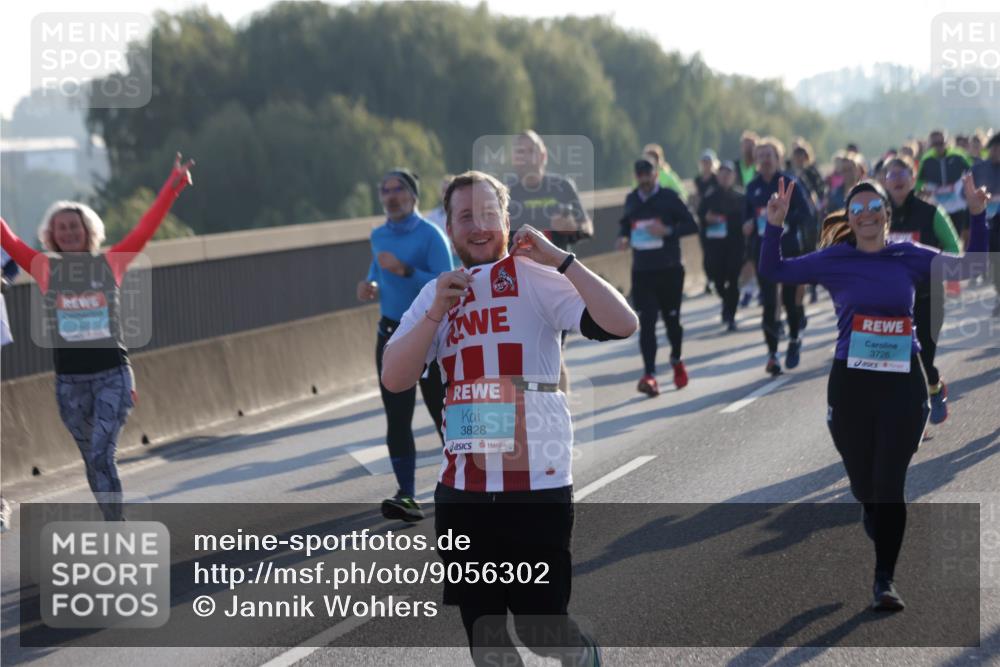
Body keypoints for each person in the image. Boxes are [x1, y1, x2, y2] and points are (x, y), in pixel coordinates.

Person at [381, 170, 636, 666]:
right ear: (450, 229)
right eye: (464, 217)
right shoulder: (439, 294)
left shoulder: (536, 278)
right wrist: (435, 312)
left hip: (535, 486)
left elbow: (622, 323)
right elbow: (394, 378)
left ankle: (582, 654)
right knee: (488, 640)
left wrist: (563, 261)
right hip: (463, 491)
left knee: (543, 630)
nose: (477, 226)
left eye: (487, 214)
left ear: (506, 219)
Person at [760, 174, 990, 611]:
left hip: (903, 380)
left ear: (887, 215)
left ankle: (884, 579)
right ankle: (870, 507)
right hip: (851, 382)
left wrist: (977, 216)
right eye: (857, 211)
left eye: (873, 208)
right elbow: (774, 270)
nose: (866, 216)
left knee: (890, 485)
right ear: (849, 219)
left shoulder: (908, 254)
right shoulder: (834, 259)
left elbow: (972, 267)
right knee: (865, 484)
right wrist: (775, 226)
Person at [0, 154, 194, 521]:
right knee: (92, 459)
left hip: (112, 376)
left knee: (103, 452)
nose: (69, 232)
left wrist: (173, 186)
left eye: (75, 226)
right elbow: (6, 239)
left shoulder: (111, 263)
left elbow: (144, 229)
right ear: (51, 236)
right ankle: (112, 515)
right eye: (61, 228)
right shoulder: (44, 269)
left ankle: (115, 525)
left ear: (88, 230)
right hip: (70, 383)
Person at [356, 168, 453, 523]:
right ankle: (407, 495)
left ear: (413, 196)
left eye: (398, 190)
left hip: (429, 335)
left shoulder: (432, 235)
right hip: (390, 333)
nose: (391, 196)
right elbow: (377, 273)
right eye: (385, 190)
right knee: (397, 418)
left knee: (444, 413)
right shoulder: (378, 235)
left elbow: (448, 282)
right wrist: (371, 287)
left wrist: (407, 273)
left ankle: (468, 484)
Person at [506, 130, 593, 394]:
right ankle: (532, 416)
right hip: (520, 283)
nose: (526, 157)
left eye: (530, 150)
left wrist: (571, 227)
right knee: (526, 356)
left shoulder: (561, 187)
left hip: (557, 281)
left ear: (542, 155)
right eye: (520, 152)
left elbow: (587, 227)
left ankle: (559, 415)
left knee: (554, 350)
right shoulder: (507, 192)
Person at [882, 156, 961, 424]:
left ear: (913, 178)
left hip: (928, 298)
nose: (898, 178)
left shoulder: (930, 212)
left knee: (924, 360)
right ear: (885, 181)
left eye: (903, 173)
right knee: (899, 363)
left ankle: (935, 388)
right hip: (893, 302)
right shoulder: (878, 215)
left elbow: (953, 249)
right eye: (892, 175)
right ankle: (914, 419)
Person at [616, 157, 698, 396]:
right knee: (647, 323)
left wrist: (668, 231)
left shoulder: (670, 198)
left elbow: (692, 225)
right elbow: (624, 224)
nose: (643, 179)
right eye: (639, 174)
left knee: (672, 321)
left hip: (670, 268)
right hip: (642, 271)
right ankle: (649, 374)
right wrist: (623, 237)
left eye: (647, 174)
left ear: (655, 175)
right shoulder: (632, 200)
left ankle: (676, 360)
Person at [744, 137, 812, 375]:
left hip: (789, 248)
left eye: (768, 155)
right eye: (760, 156)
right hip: (763, 250)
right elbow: (747, 215)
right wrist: (748, 224)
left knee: (790, 302)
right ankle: (772, 355)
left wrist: (782, 218)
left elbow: (807, 213)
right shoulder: (752, 187)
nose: (764, 160)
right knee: (769, 303)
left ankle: (794, 339)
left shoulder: (790, 183)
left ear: (778, 158)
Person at [697, 160, 746, 331]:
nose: (725, 177)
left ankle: (730, 315)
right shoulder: (710, 196)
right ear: (717, 176)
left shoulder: (741, 197)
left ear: (733, 176)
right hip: (715, 247)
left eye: (729, 174)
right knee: (717, 282)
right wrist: (706, 219)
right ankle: (727, 301)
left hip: (735, 245)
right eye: (722, 174)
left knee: (733, 281)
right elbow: (700, 217)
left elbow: (747, 219)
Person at [917, 130, 973, 245]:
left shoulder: (959, 156)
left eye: (941, 143)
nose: (938, 147)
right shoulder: (926, 160)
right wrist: (922, 192)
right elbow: (918, 183)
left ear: (947, 142)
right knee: (939, 240)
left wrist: (968, 191)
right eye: (935, 144)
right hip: (937, 209)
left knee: (958, 238)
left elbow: (973, 172)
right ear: (930, 145)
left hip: (958, 207)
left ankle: (959, 260)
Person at [971, 131, 1000, 317]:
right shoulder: (979, 168)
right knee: (995, 259)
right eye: (995, 148)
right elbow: (965, 194)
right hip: (989, 220)